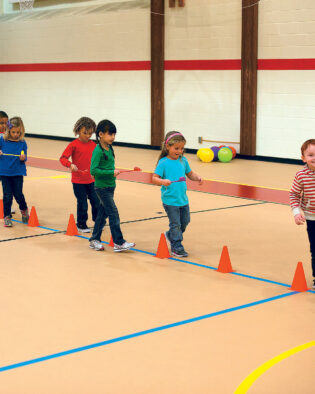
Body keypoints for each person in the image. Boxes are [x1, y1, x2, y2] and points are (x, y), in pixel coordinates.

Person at [153, 131, 203, 257]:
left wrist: (197, 177)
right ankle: (177, 246)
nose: (179, 151)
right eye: (176, 148)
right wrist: (163, 181)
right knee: (175, 224)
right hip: (170, 201)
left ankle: (170, 235)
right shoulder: (163, 162)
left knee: (185, 221)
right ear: (167, 147)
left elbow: (190, 174)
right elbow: (154, 178)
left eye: (182, 148)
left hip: (183, 200)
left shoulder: (183, 160)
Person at [89, 119, 135, 252]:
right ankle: (118, 242)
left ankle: (94, 239)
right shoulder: (98, 151)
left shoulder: (109, 148)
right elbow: (93, 170)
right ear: (101, 134)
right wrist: (111, 172)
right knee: (113, 213)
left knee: (102, 215)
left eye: (114, 134)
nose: (113, 137)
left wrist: (112, 173)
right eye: (110, 134)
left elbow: (107, 167)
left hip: (110, 186)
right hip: (102, 188)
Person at [60, 117, 99, 233]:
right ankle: (81, 224)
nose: (87, 136)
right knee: (82, 204)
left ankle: (98, 221)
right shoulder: (73, 145)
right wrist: (70, 164)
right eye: (85, 133)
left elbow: (99, 159)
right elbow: (62, 158)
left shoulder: (94, 145)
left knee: (96, 202)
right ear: (78, 131)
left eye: (90, 133)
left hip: (92, 180)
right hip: (78, 181)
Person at [290, 139, 315, 290]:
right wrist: (296, 212)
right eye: (311, 155)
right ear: (303, 158)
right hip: (312, 218)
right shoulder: (301, 175)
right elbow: (293, 194)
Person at [0, 117, 28, 227]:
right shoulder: (2, 140)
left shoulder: (22, 142)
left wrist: (23, 158)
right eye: (13, 132)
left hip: (17, 172)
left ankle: (24, 210)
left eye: (18, 132)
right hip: (5, 172)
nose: (16, 134)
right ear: (8, 130)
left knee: (18, 194)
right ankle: (7, 216)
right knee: (7, 195)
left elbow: (25, 157)